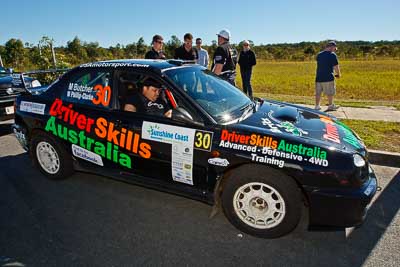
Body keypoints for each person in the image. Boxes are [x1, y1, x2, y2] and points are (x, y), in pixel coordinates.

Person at [315, 41, 341, 111]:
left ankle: (317, 106)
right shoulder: (332, 55)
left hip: (318, 77)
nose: (334, 50)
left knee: (318, 93)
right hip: (328, 77)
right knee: (330, 92)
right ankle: (330, 105)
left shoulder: (319, 55)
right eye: (334, 48)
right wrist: (338, 74)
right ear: (332, 47)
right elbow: (336, 66)